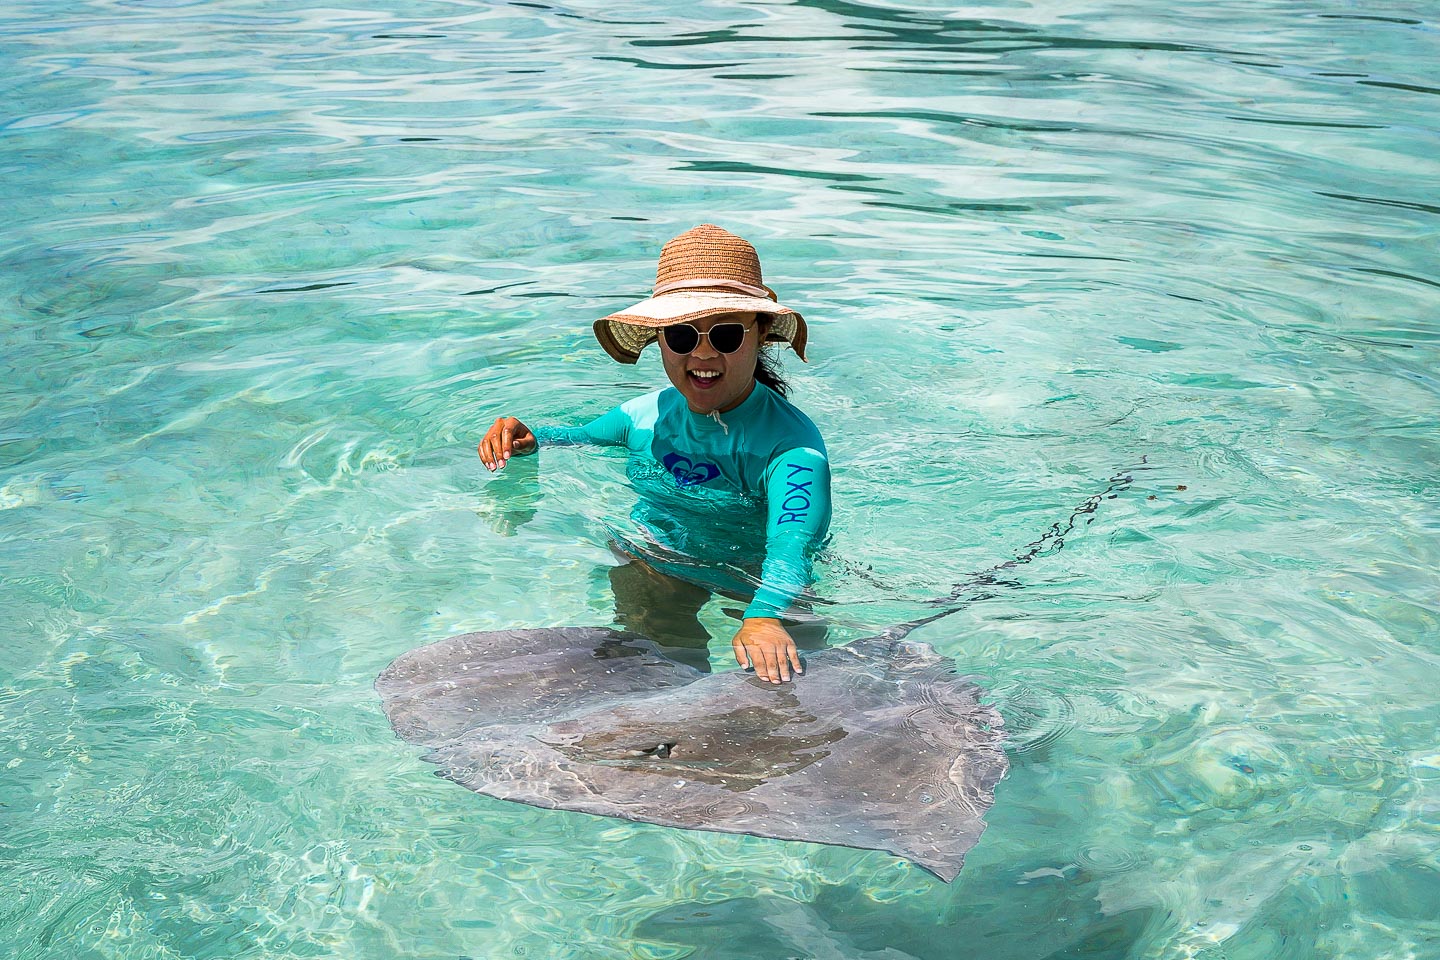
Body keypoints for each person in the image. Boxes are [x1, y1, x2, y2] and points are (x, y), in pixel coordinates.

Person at [478, 224, 832, 684]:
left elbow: (791, 545)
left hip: (761, 577)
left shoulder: (793, 450)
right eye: (683, 336)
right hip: (658, 556)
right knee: (644, 681)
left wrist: (764, 615)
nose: (702, 355)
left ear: (761, 333)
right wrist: (529, 437)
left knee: (802, 689)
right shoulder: (641, 415)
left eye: (725, 336)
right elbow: (577, 437)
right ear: (659, 339)